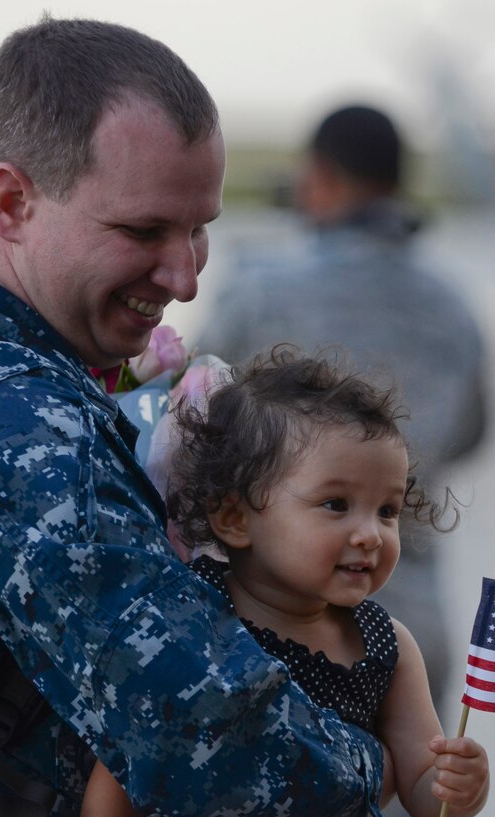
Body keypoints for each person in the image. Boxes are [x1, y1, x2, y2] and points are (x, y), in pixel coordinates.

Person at [0, 18, 391, 817]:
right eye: (142, 230)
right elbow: (201, 729)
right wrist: (374, 764)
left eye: (200, 229)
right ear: (11, 203)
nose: (185, 277)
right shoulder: (10, 420)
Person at [79, 346, 490, 817]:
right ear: (235, 518)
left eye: (387, 511)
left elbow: (424, 791)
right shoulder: (189, 620)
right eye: (336, 504)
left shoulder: (387, 646)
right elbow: (123, 771)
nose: (370, 534)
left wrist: (459, 788)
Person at [196, 103, 488, 719]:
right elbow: (469, 432)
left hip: (276, 628)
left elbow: (197, 420)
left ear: (321, 176)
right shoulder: (454, 305)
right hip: (415, 621)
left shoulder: (262, 287)